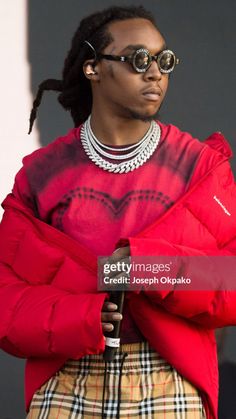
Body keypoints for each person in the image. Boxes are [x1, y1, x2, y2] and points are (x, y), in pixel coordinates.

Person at [0, 4, 236, 419]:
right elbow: (6, 299)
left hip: (168, 378)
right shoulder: (40, 176)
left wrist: (145, 269)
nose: (155, 73)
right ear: (92, 68)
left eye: (164, 60)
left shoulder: (200, 167)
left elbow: (231, 281)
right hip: (66, 378)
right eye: (138, 59)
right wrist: (84, 316)